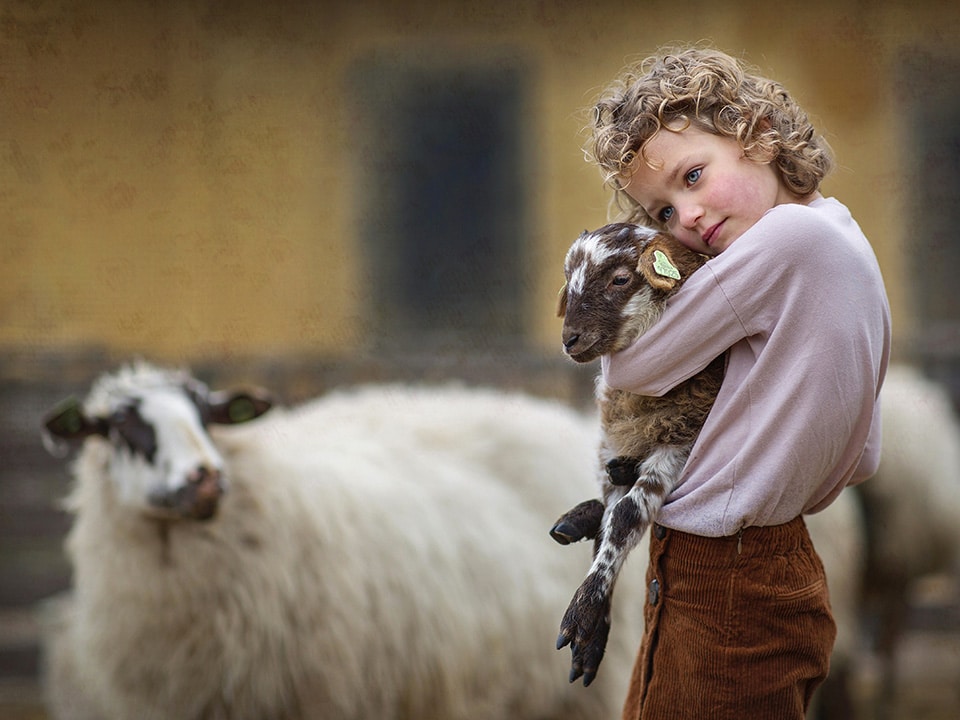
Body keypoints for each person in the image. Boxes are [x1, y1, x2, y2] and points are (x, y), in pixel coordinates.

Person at [581, 46, 891, 720]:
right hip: (777, 559)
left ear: (758, 134)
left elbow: (634, 363)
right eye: (662, 213)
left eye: (693, 176)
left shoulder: (784, 242)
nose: (687, 217)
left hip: (722, 576)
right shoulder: (843, 235)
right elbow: (864, 452)